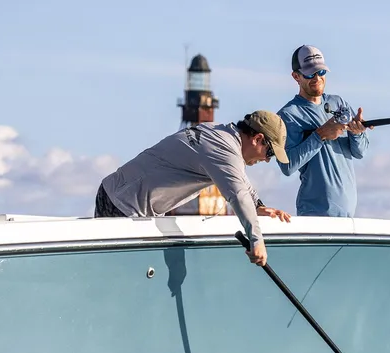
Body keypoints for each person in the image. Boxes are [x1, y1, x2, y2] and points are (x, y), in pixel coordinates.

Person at [94, 110, 292, 267]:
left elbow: (239, 180)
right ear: (257, 139)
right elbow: (238, 194)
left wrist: (258, 205)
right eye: (270, 153)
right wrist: (257, 241)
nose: (267, 160)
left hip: (124, 201)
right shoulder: (225, 152)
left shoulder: (220, 133)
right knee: (120, 278)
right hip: (122, 206)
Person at [276, 45, 372, 218]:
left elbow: (360, 152)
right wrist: (320, 135)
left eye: (321, 72)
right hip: (314, 214)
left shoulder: (339, 103)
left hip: (349, 214)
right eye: (310, 74)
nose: (317, 78)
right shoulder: (287, 115)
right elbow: (287, 166)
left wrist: (357, 133)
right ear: (296, 76)